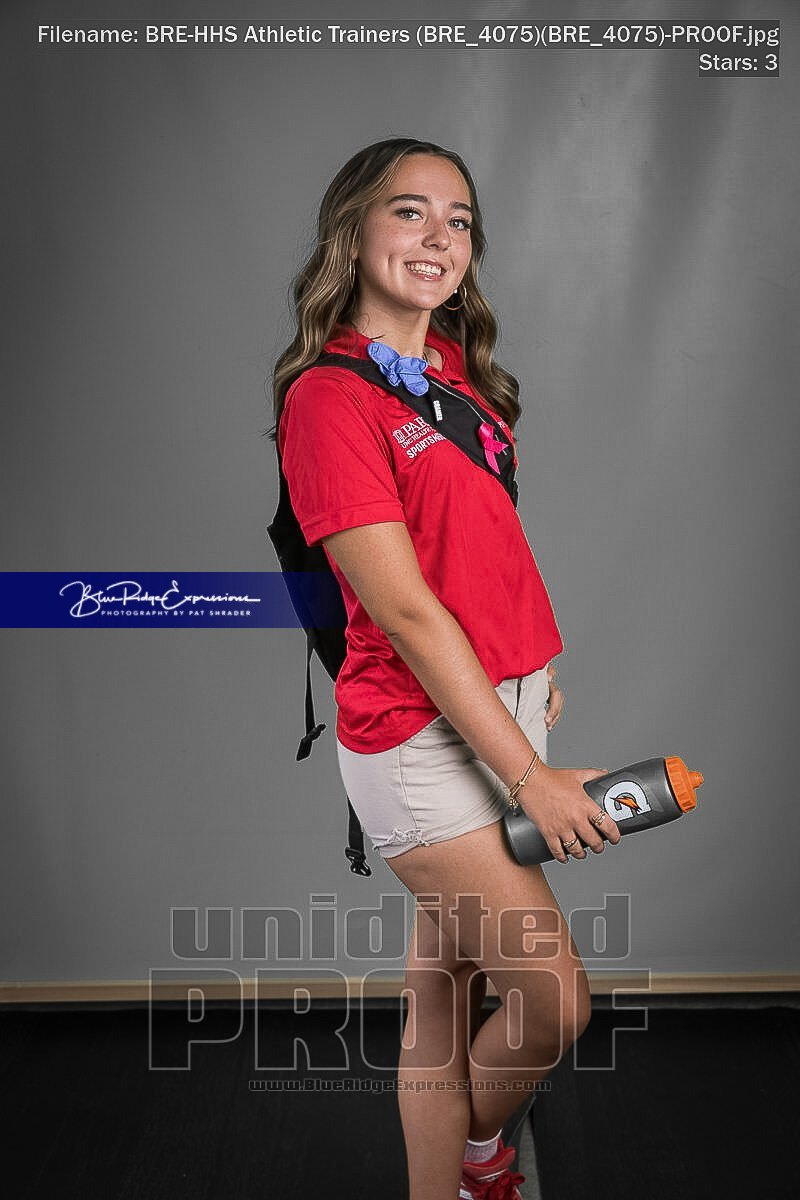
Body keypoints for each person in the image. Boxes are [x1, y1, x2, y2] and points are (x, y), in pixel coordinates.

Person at [269, 137, 621, 1200]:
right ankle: (477, 1153)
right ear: (353, 232)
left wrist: (528, 674)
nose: (438, 237)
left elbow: (477, 548)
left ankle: (462, 1178)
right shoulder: (327, 401)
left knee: (441, 992)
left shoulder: (450, 370)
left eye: (458, 219)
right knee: (554, 1001)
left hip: (500, 704)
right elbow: (408, 613)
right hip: (424, 740)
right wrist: (527, 772)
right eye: (408, 211)